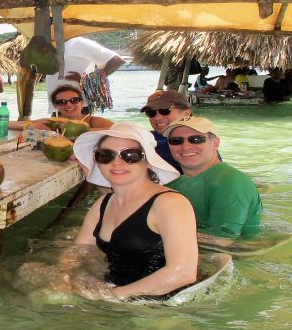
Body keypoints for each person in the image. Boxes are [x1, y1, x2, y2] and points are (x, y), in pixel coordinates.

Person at [57, 122, 197, 301]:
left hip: (164, 302)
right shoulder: (103, 204)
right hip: (119, 292)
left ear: (148, 161)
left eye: (131, 155)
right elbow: (79, 251)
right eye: (106, 155)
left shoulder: (170, 204)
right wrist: (63, 275)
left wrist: (111, 296)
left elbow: (183, 273)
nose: (117, 162)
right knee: (31, 271)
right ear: (97, 162)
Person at [163, 117, 262, 239]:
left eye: (196, 139)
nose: (185, 146)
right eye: (176, 140)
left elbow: (223, 240)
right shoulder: (174, 185)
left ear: (215, 143)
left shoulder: (230, 182)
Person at [44, 37, 125, 113]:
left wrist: (86, 80)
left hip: (78, 109)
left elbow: (117, 60)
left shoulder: (79, 43)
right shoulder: (54, 48)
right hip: (57, 109)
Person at [10, 84, 114, 132]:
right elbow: (12, 124)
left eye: (74, 100)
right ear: (55, 106)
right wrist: (33, 126)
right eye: (62, 102)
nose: (69, 105)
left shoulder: (92, 121)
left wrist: (83, 131)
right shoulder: (53, 122)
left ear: (82, 103)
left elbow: (124, 129)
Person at [140, 90, 193, 173]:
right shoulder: (153, 136)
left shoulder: (197, 142)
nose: (157, 118)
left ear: (186, 113)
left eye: (165, 110)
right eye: (151, 112)